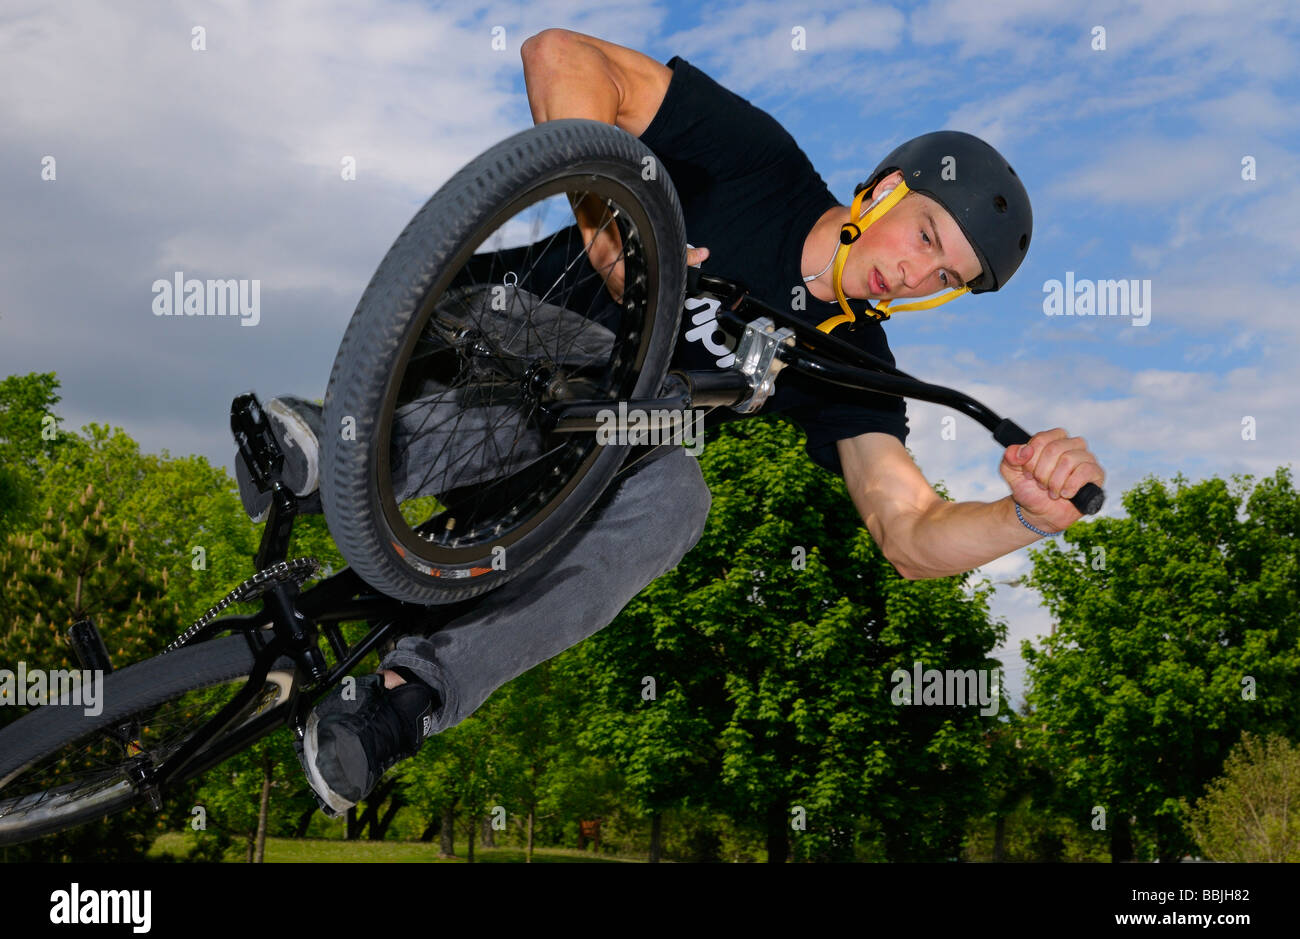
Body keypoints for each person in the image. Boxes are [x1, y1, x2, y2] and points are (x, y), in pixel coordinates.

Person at [235, 29, 1106, 818]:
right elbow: (559, 56)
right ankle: (329, 449)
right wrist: (608, 228)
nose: (915, 275)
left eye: (942, 276)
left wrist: (1024, 518)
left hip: (561, 469)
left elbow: (906, 529)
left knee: (679, 492)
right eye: (922, 236)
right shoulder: (760, 165)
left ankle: (403, 702)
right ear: (881, 192)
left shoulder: (852, 364)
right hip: (473, 343)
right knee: (631, 385)